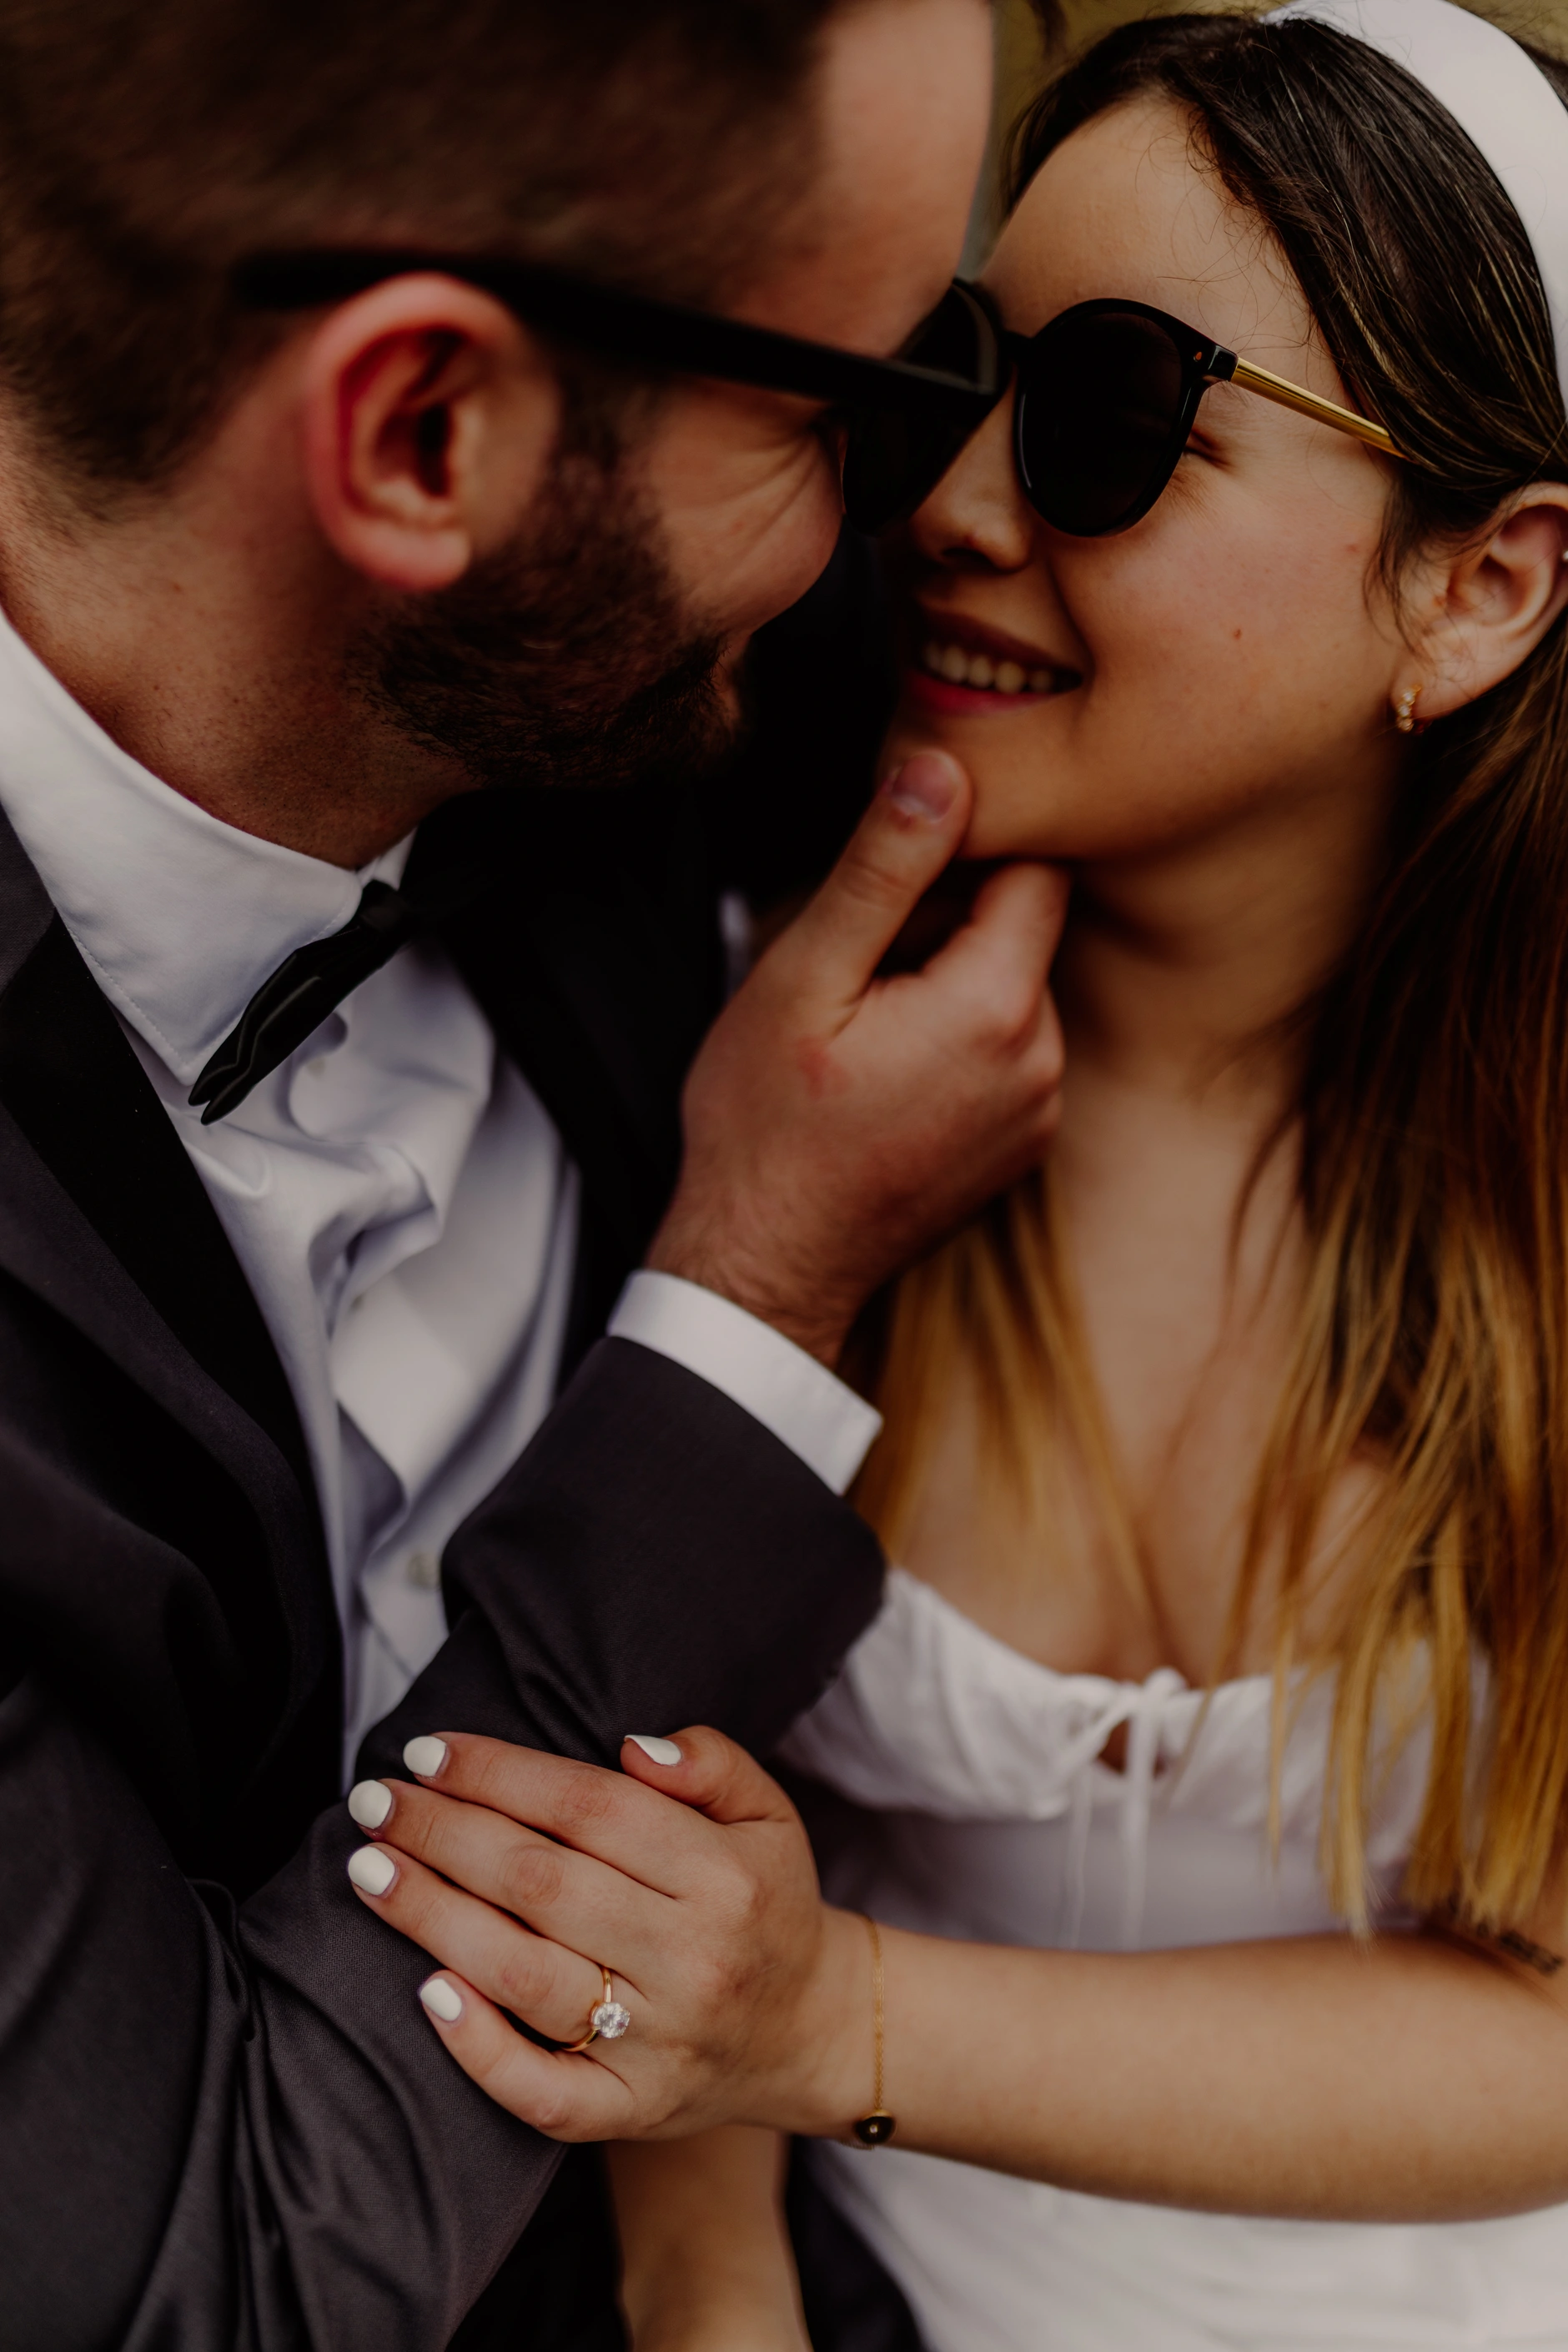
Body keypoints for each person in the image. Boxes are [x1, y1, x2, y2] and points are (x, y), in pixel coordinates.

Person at [344, 3, 1568, 2345]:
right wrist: (712, 2286)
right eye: (948, 375)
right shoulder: (723, 1054)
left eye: (1112, 417)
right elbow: (599, 1790)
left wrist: (849, 2023)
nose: (952, 506)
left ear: (1480, 585)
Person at [0, 2, 1080, 2346]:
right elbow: (219, 2268)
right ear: (419, 434)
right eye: (851, 413)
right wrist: (749, 1297)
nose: (949, 519)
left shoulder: (613, 661)